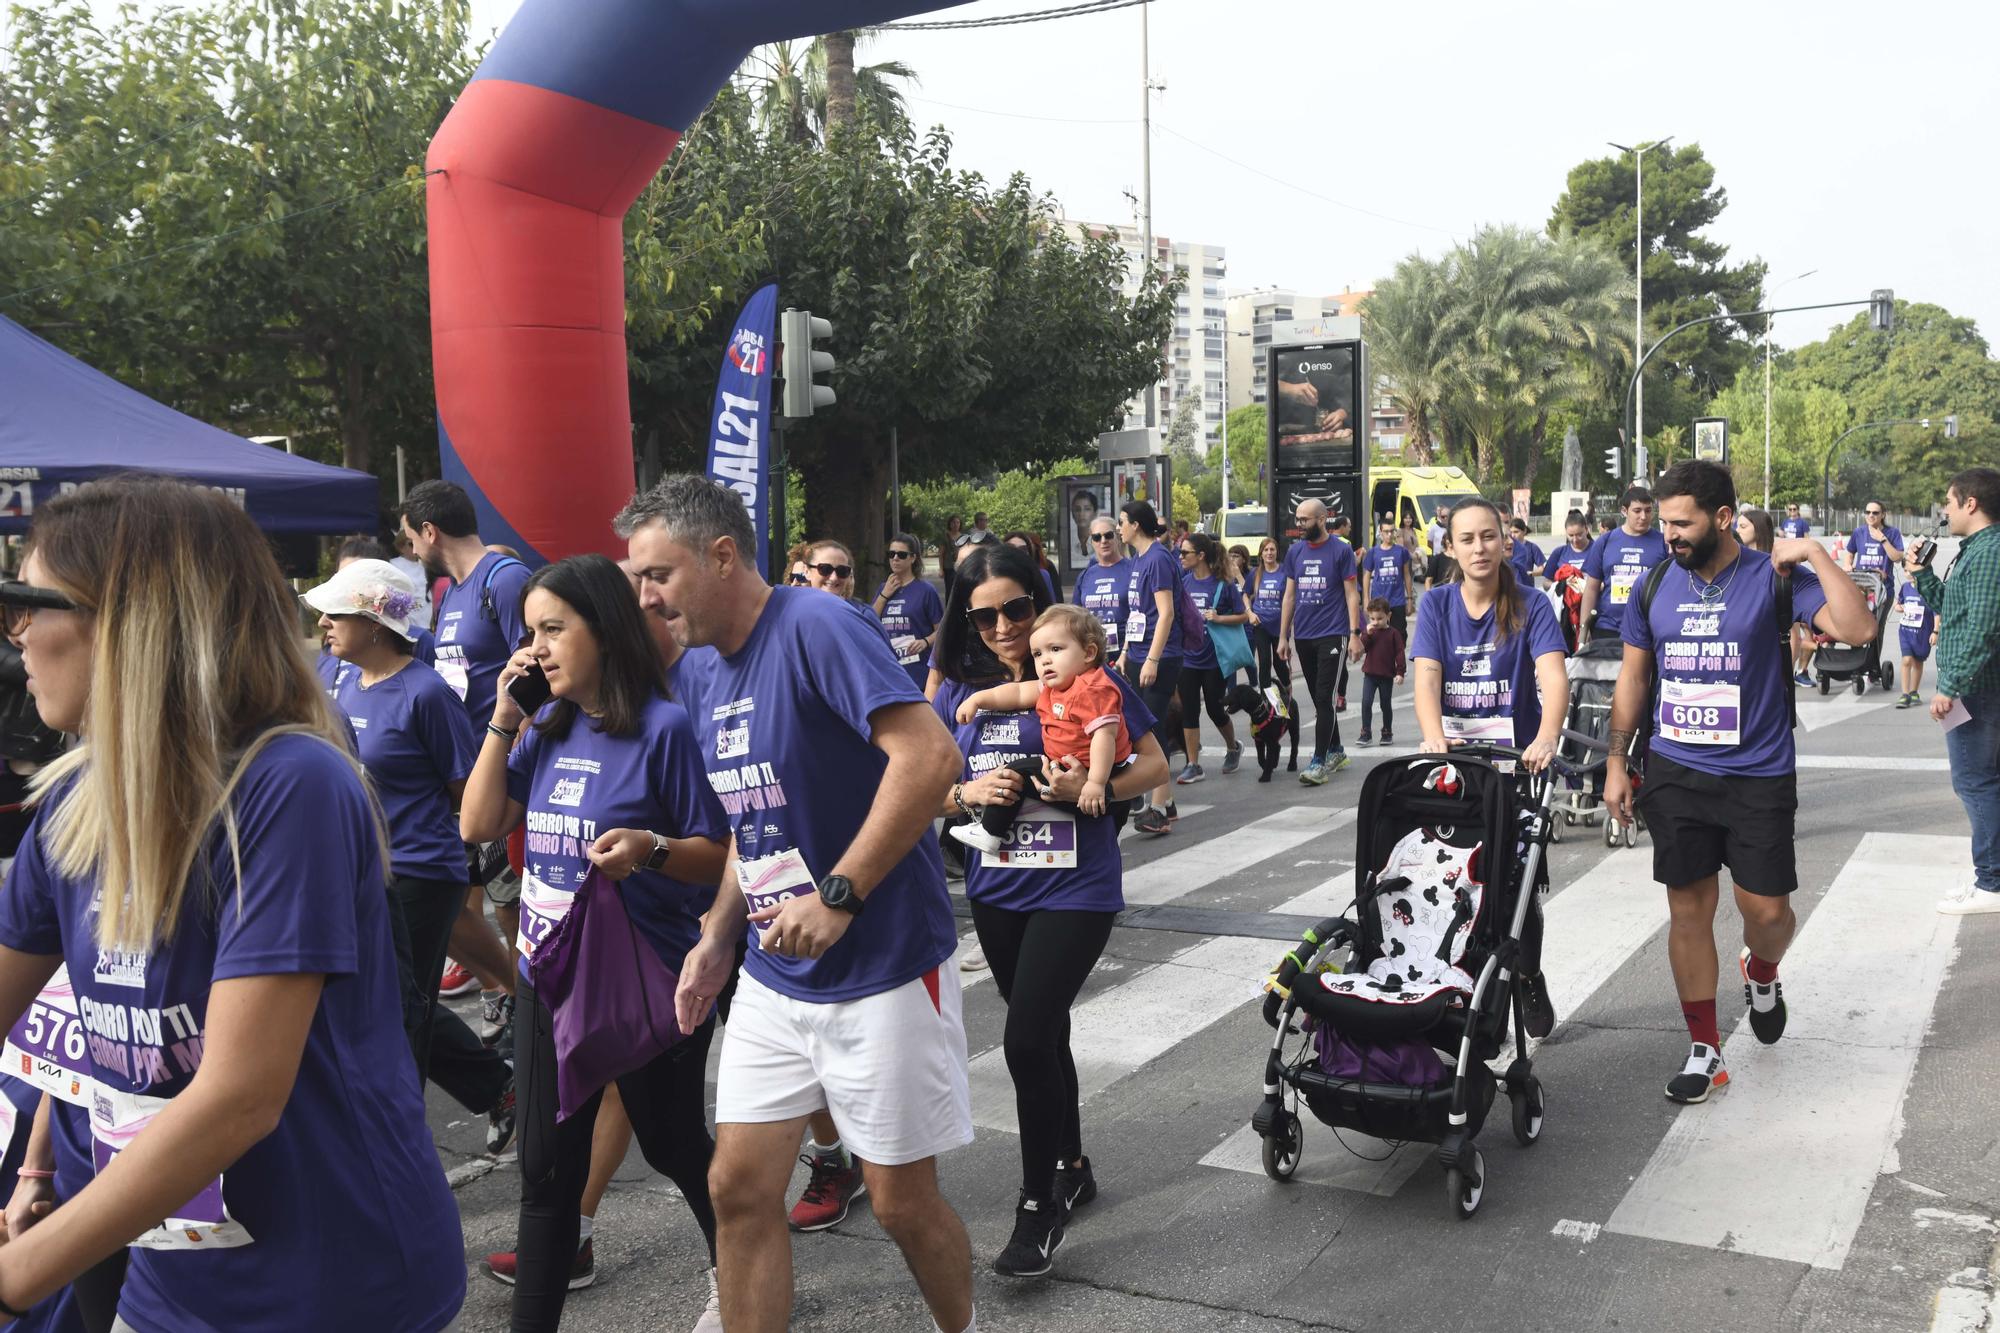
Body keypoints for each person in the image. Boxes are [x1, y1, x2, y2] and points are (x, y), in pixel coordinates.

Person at [0, 476, 463, 1329]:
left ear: (134, 618)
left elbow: (239, 1097)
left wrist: (19, 1270)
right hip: (172, 1282)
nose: (15, 633)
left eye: (29, 603)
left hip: (331, 1287)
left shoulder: (290, 785)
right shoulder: (75, 801)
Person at [621, 476, 976, 1333]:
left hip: (885, 968)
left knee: (899, 1202)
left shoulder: (818, 625)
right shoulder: (701, 670)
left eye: (657, 575)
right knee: (737, 1186)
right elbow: (755, 818)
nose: (645, 597)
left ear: (720, 555)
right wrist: (715, 937)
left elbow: (929, 760)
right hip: (778, 980)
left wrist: (843, 894)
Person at [459, 553, 729, 1333]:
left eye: (553, 628)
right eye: (529, 631)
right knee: (546, 1178)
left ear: (604, 631)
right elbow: (478, 824)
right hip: (550, 983)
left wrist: (650, 848)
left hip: (644, 980)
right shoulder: (548, 724)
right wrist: (506, 714)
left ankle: (740, 1268)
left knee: (677, 1145)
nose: (537, 646)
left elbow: (718, 855)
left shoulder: (663, 727)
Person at [929, 547, 1168, 1276]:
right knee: (1046, 1032)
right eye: (985, 614)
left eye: (1017, 609)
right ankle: (1073, 1162)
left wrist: (1085, 788)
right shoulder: (956, 693)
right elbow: (923, 789)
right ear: (966, 619)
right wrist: (969, 796)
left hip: (1077, 888)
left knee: (1025, 1037)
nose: (1003, 626)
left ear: (1040, 604)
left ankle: (1038, 1210)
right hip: (997, 893)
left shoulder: (1087, 675)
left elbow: (1153, 767)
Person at [1603, 461, 1874, 1104]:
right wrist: (1616, 761)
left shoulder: (1775, 579)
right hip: (1676, 770)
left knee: (1768, 912)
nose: (1668, 533)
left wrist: (1812, 552)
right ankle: (1705, 1050)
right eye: (1663, 521)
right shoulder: (1655, 583)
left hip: (1758, 775)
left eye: (1681, 522)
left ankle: (1764, 968)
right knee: (1688, 910)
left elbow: (1858, 630)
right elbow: (1635, 679)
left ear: (1723, 519)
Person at [303, 559, 517, 1154]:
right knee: (389, 1000)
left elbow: (465, 789)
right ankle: (499, 1086)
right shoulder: (333, 676)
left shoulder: (426, 693)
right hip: (355, 870)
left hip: (420, 872)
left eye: (337, 612)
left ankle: (400, 1146)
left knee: (401, 1009)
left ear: (374, 622)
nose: (322, 621)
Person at [400, 480, 524, 1039]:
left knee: (513, 903)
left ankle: (532, 1010)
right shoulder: (450, 591)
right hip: (465, 779)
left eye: (410, 539)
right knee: (454, 901)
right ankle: (510, 989)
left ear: (431, 531)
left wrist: (517, 758)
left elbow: (542, 671)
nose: (411, 551)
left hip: (507, 775)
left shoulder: (505, 579)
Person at [949, 605, 1133, 849]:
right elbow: (1016, 692)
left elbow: (1104, 737)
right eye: (1037, 654)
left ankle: (990, 831)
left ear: (1088, 653)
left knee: (1014, 773)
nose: (1045, 659)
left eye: (1055, 649)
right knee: (1020, 775)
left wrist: (1096, 784)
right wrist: (977, 700)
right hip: (1072, 773)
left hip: (1097, 775)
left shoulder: (1093, 689)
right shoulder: (1054, 687)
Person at [1412, 499, 1568, 762]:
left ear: (1503, 541)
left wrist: (1547, 737)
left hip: (1521, 758)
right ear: (1450, 548)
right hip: (1458, 755)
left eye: (1488, 537)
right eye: (1467, 540)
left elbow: (1554, 677)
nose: (1479, 549)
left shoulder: (1534, 603)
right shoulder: (1434, 604)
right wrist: (1434, 736)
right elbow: (1427, 681)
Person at [1912, 468, 2000, 914]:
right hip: (1977, 685)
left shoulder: (1990, 552)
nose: (1945, 510)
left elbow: (1981, 629)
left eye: (1949, 501)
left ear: (1970, 503)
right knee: (1984, 782)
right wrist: (1921, 573)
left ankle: (1992, 884)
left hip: (1977, 689)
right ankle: (1992, 874)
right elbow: (1954, 607)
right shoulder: (1977, 550)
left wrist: (1949, 686)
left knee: (1975, 782)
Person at [1278, 497, 1363, 785]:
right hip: (1304, 635)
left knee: (1325, 697)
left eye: (1305, 520)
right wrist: (1283, 637)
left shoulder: (1341, 550)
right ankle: (1336, 750)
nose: (1299, 524)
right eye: (1298, 519)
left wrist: (1354, 634)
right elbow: (1289, 596)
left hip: (1333, 633)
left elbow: (1352, 594)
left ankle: (1318, 761)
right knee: (1318, 697)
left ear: (1322, 519)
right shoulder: (1295, 552)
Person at [1117, 501, 1185, 836]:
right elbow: (1137, 613)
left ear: (1136, 526)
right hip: (1138, 651)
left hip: (1161, 655)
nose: (1119, 529)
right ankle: (1167, 801)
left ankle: (1158, 808)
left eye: (1122, 522)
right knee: (1141, 727)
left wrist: (1153, 659)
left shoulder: (1157, 559)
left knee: (1153, 730)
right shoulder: (1137, 560)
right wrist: (1127, 651)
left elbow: (1166, 613)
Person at [1171, 533, 1246, 782]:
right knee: (1189, 711)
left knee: (1215, 708)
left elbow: (1243, 616)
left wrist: (1219, 618)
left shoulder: (1223, 585)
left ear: (1200, 556)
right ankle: (1193, 764)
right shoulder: (1184, 583)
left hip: (1214, 660)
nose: (1180, 557)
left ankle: (1233, 747)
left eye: (1185, 553)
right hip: (1188, 659)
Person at [1578, 486, 1668, 645]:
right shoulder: (1605, 541)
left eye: (1648, 510)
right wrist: (1583, 628)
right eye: (1637, 510)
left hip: (1648, 628)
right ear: (1624, 511)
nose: (1643, 516)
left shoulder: (1663, 542)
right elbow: (1591, 587)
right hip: (1608, 628)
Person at [873, 533, 944, 691]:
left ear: (913, 558)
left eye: (901, 555)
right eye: (891, 554)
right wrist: (884, 595)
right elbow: (870, 624)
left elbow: (941, 630)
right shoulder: (883, 589)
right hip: (889, 670)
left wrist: (924, 642)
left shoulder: (926, 591)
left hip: (918, 672)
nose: (895, 558)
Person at [1071, 517, 1131, 669]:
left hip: (1127, 653)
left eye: (1108, 535)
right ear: (1092, 542)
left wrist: (1126, 652)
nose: (1103, 541)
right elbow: (1075, 617)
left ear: (1117, 537)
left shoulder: (1132, 569)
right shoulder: (1085, 576)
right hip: (1094, 653)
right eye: (1097, 537)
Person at [1355, 598, 1405, 747]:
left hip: (1386, 676)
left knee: (1385, 704)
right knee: (1366, 703)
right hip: (1370, 674)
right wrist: (1366, 634)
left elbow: (1400, 653)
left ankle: (1387, 731)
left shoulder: (1394, 634)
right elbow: (1363, 647)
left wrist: (1400, 672)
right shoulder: (1369, 632)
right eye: (1372, 618)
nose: (1376, 622)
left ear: (1388, 616)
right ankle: (1366, 733)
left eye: (1380, 618)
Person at [1247, 537, 1291, 696]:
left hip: (1280, 625)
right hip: (1261, 625)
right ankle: (1266, 699)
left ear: (1277, 552)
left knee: (1280, 664)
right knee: (1264, 662)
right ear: (1261, 554)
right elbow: (1244, 594)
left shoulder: (1285, 571)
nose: (1269, 553)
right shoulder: (1256, 573)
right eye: (1266, 550)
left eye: (1272, 549)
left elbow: (1291, 597)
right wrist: (1249, 612)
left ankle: (1287, 690)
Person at [1362, 518, 1415, 635]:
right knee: (1378, 636)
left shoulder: (1402, 552)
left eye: (1392, 531)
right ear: (1380, 532)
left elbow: (1407, 575)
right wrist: (1366, 599)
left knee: (1399, 635)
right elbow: (1366, 576)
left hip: (1397, 601)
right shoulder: (1373, 552)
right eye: (1386, 531)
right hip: (1378, 602)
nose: (1389, 534)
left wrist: (1410, 599)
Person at [1895, 579, 1938, 710]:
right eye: (1906, 570)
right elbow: (1898, 603)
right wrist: (1899, 607)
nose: (1909, 574)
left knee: (1918, 662)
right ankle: (1905, 694)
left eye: (1911, 570)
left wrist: (1935, 631)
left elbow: (1937, 612)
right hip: (1906, 631)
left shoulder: (1929, 588)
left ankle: (1914, 692)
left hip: (1923, 633)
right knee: (1907, 660)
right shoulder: (1905, 587)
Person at [1846, 501, 1905, 590]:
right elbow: (1850, 553)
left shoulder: (1893, 532)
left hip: (1883, 587)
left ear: (1883, 515)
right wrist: (1847, 565)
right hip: (1861, 586)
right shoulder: (1858, 532)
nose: (1871, 515)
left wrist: (1883, 540)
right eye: (1868, 512)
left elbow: (1898, 558)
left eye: (1875, 513)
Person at [1005, 531, 1061, 602]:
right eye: (1011, 548)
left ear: (1030, 553)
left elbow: (1051, 607)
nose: (1016, 552)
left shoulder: (1043, 576)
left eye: (1023, 549)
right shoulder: (995, 577)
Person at [804, 540, 862, 605]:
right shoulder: (794, 609)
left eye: (842, 570)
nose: (834, 578)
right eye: (825, 569)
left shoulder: (860, 613)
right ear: (807, 572)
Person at [1509, 517, 1544, 585]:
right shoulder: (1507, 547)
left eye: (1516, 532)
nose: (1513, 535)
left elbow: (1542, 569)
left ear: (1524, 531)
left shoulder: (1532, 547)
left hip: (1527, 587)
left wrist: (1531, 573)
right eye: (1511, 532)